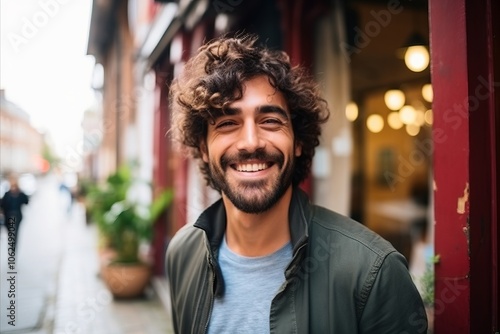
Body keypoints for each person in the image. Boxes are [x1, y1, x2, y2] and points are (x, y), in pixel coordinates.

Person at [165, 34, 428, 334]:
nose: (251, 142)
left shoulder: (374, 273)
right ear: (202, 146)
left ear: (298, 141)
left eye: (270, 121)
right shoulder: (182, 254)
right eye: (227, 123)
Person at [0, 175, 29, 253]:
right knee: (11, 233)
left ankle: (13, 247)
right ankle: (12, 246)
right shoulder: (7, 194)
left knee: (14, 233)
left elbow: (26, 201)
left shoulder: (20, 194)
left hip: (16, 216)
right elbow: (2, 205)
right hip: (8, 216)